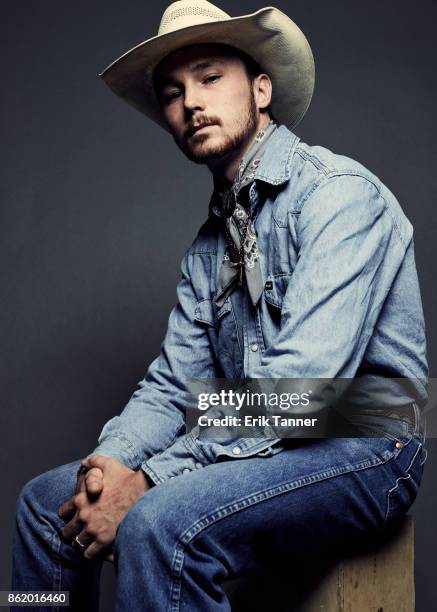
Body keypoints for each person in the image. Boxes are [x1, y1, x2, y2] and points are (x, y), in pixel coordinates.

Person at [11, 2, 428, 610]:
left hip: (370, 443)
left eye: (209, 78)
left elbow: (297, 393)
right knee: (45, 506)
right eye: (174, 93)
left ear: (261, 90)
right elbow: (171, 386)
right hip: (258, 434)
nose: (192, 103)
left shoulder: (340, 196)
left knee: (160, 522)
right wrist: (108, 466)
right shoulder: (209, 248)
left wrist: (150, 479)